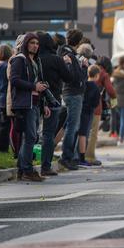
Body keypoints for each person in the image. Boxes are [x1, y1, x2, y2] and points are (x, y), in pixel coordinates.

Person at [9, 33, 49, 182]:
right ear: (26, 44)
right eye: (32, 43)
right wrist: (33, 86)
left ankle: (22, 168)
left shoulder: (35, 61)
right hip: (25, 103)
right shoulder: (19, 60)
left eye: (37, 43)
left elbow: (39, 84)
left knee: (31, 136)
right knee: (31, 136)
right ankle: (27, 169)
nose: (35, 46)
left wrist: (44, 104)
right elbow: (14, 80)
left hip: (35, 102)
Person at [36, 32, 72, 176]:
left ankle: (24, 164)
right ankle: (45, 166)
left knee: (30, 134)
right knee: (48, 134)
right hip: (53, 100)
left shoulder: (34, 59)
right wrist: (67, 64)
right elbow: (68, 78)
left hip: (34, 99)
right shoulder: (56, 60)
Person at [58, 29, 87, 171]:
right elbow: (75, 77)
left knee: (68, 125)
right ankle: (66, 157)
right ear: (79, 41)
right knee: (72, 126)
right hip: (73, 94)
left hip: (70, 93)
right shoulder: (69, 55)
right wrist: (83, 68)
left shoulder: (67, 53)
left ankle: (69, 156)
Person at [85, 55, 116, 165]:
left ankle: (79, 155)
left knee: (84, 131)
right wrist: (114, 98)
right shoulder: (104, 74)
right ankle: (89, 156)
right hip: (96, 105)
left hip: (84, 103)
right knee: (93, 132)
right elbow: (110, 91)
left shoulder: (89, 68)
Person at [75, 65, 101, 167]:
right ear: (97, 75)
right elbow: (96, 102)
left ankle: (76, 155)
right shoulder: (95, 87)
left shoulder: (84, 84)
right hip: (89, 112)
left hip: (80, 109)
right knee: (84, 134)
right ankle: (82, 157)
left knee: (78, 133)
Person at [0, 44, 13, 153]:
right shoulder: (6, 66)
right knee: (5, 125)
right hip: (5, 98)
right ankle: (2, 149)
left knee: (0, 124)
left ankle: (1, 148)